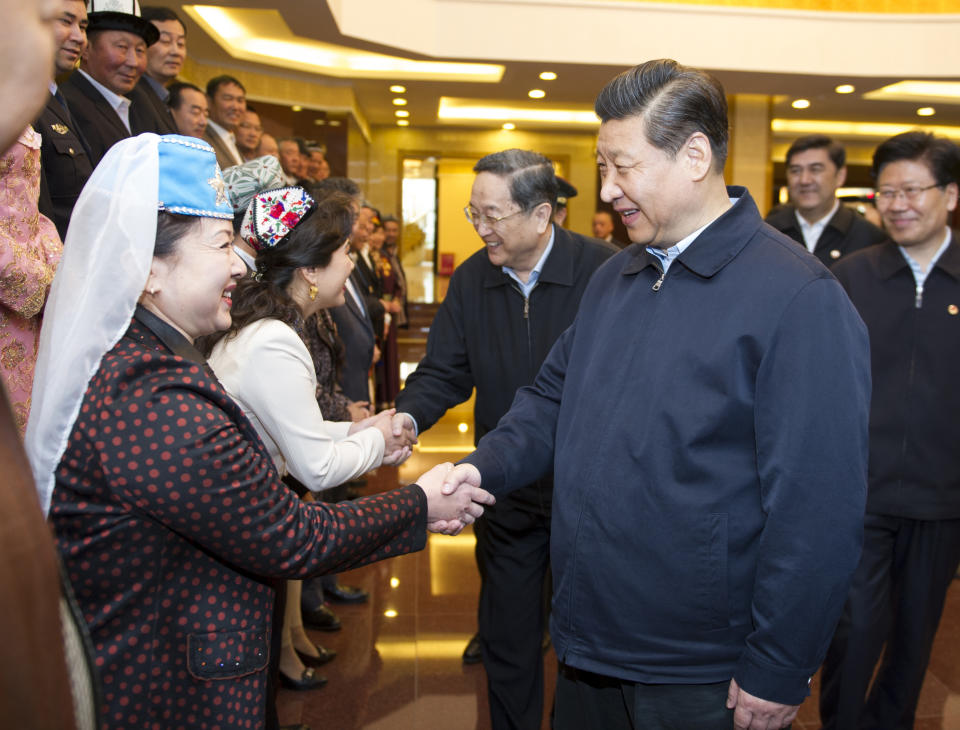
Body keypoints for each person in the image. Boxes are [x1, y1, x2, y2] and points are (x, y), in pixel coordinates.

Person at [439, 60, 871, 730]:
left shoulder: (798, 299)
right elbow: (552, 398)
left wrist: (780, 663)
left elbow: (818, 508)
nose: (607, 189)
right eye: (602, 166)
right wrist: (479, 468)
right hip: (591, 644)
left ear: (695, 155)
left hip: (703, 671)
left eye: (623, 166)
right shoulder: (617, 277)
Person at [24, 133, 494, 729]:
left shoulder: (149, 360)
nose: (240, 262)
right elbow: (291, 535)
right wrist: (419, 504)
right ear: (148, 269)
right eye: (222, 244)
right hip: (165, 688)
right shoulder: (151, 394)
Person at [394, 148, 617, 730]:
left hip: (589, 493)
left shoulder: (606, 272)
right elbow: (445, 369)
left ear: (542, 215)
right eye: (475, 214)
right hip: (505, 490)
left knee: (589, 649)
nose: (481, 228)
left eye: (493, 215)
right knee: (508, 640)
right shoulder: (472, 279)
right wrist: (407, 418)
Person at [206, 186, 416, 693]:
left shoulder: (270, 325)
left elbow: (294, 428)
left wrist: (357, 429)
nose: (351, 265)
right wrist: (381, 443)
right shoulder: (275, 339)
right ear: (311, 271)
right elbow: (315, 467)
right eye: (344, 254)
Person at [819, 131, 960, 730]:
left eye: (912, 190)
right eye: (886, 192)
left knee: (913, 640)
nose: (897, 203)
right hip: (862, 496)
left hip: (942, 499)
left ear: (950, 195)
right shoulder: (850, 279)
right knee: (852, 631)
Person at [0, 128, 63, 434]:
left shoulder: (17, 99)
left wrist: (53, 261)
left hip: (35, 263)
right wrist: (35, 279)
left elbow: (30, 207)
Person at [59, 0, 160, 165]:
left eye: (140, 50)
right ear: (86, 49)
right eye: (122, 47)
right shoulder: (68, 104)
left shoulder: (141, 106)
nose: (133, 62)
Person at [766, 134, 886, 265]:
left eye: (815, 169)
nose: (804, 180)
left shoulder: (868, 237)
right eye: (796, 171)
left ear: (840, 176)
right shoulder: (768, 231)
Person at [36, 0, 93, 240]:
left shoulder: (56, 98)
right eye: (66, 21)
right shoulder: (20, 101)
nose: (79, 37)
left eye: (82, 26)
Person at [127, 5, 182, 135]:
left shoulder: (162, 98)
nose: (176, 51)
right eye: (165, 41)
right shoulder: (132, 94)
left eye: (180, 44)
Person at [204, 74, 246, 168]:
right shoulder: (200, 137)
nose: (235, 107)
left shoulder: (234, 140)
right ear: (209, 101)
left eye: (240, 100)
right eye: (228, 98)